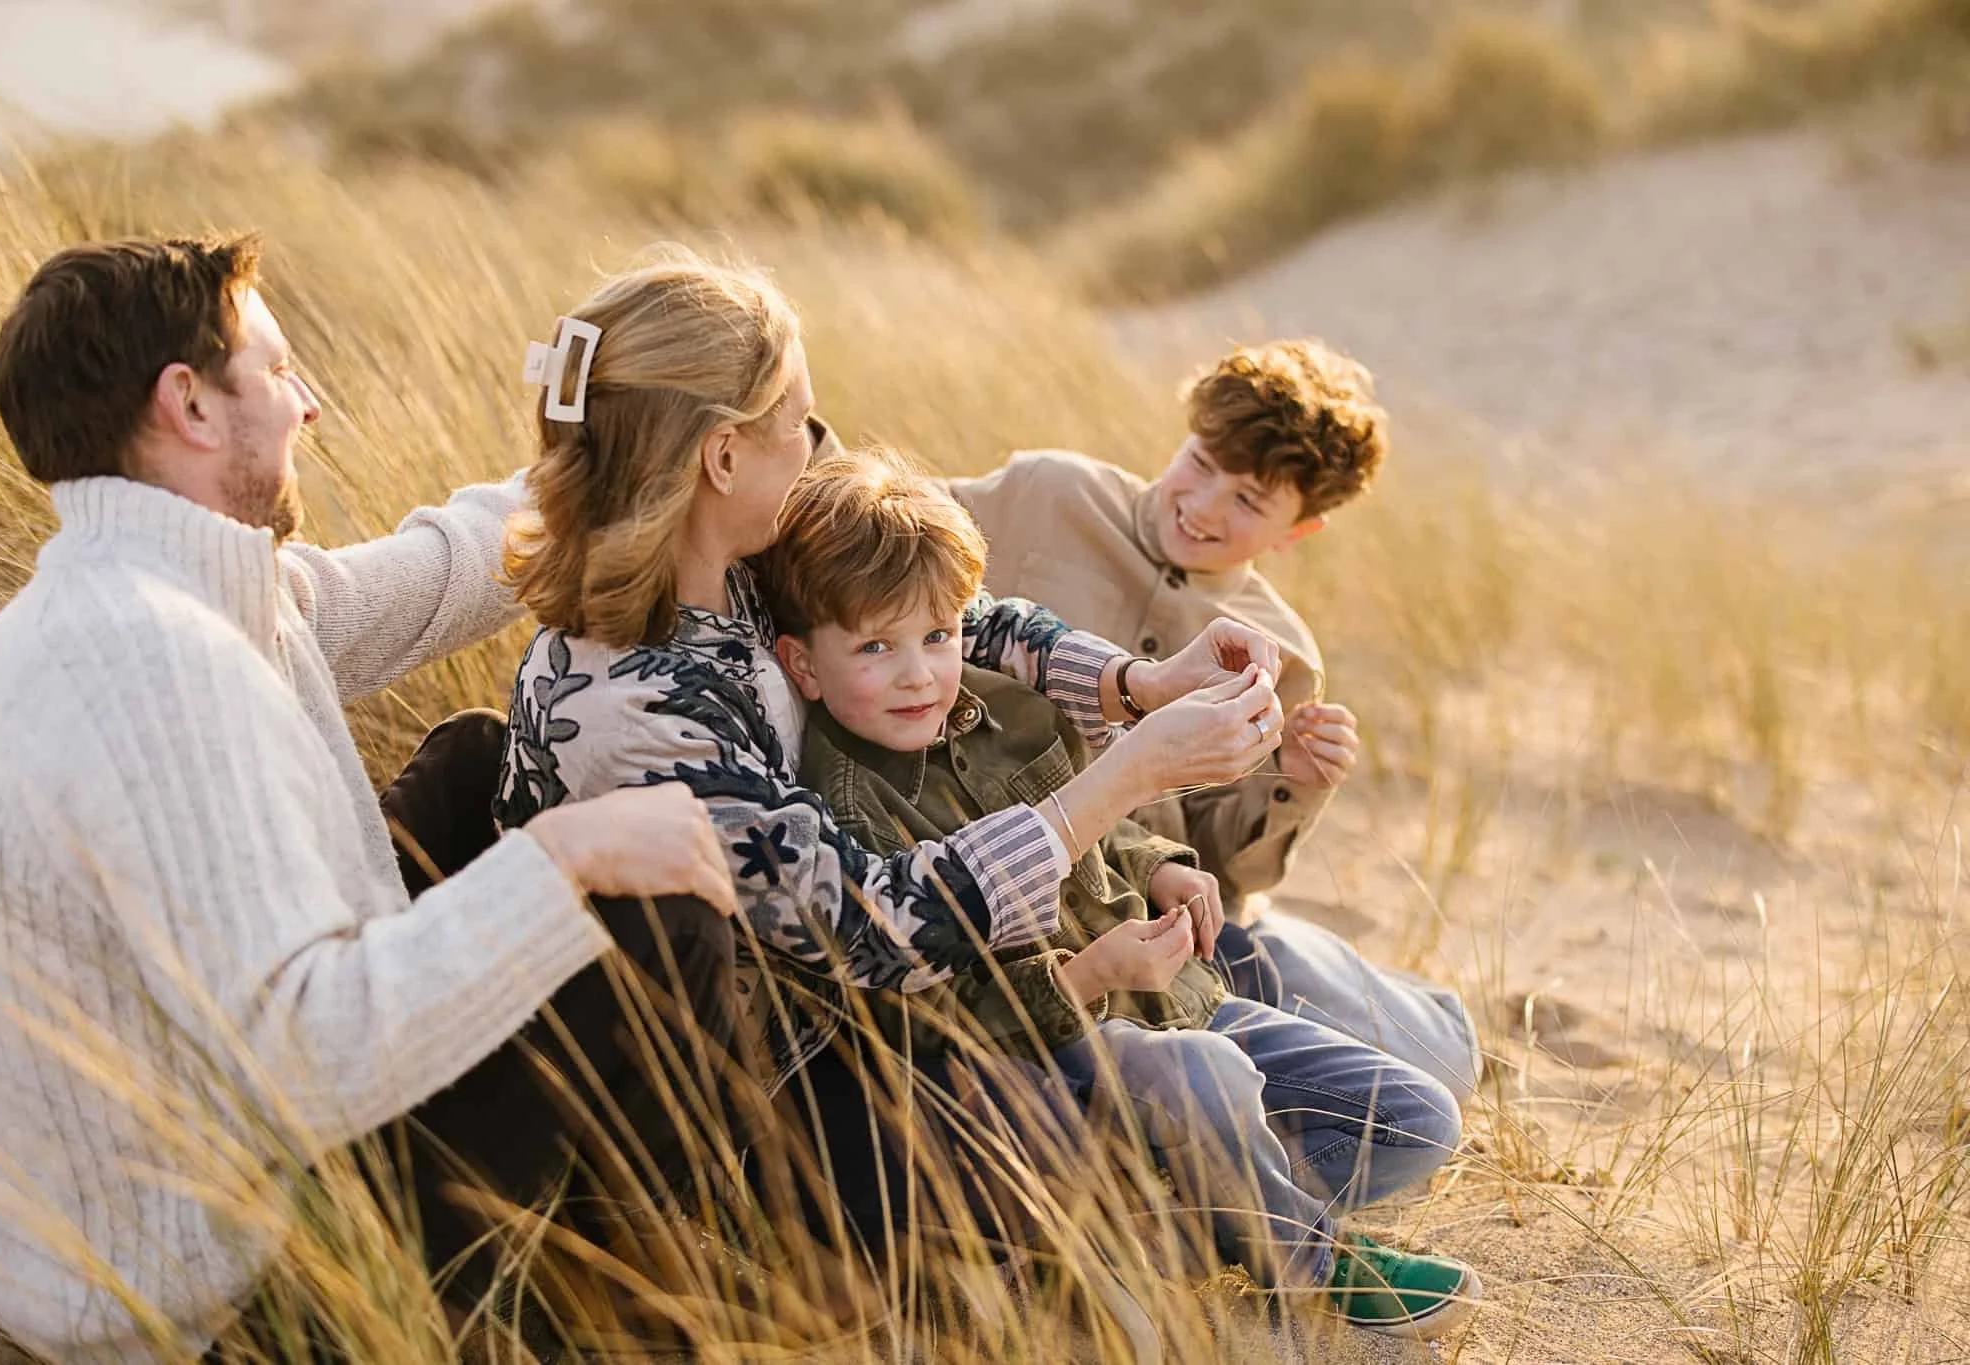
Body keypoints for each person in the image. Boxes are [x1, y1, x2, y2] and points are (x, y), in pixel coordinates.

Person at [0, 235, 753, 1363]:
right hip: (218, 1293)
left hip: (242, 1147)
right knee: (659, 923)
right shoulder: (147, 665)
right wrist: (561, 859)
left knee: (472, 764)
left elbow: (434, 574)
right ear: (190, 408)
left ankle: (578, 1262)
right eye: (275, 374)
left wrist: (595, 456)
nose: (307, 405)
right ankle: (622, 1316)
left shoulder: (179, 587)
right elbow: (308, 1062)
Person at [489, 247, 1291, 1259]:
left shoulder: (730, 562)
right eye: (802, 425)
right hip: (769, 1107)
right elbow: (874, 923)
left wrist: (1136, 686)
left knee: (1219, 1062)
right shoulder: (636, 703)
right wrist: (1127, 775)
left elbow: (945, 615)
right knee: (1104, 1163)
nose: (821, 447)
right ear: (721, 459)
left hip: (871, 1030)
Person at [762, 447, 1480, 1340]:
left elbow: (1097, 814)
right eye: (876, 647)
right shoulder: (844, 802)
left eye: (938, 636)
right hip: (1064, 1040)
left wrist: (1158, 868)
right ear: (800, 663)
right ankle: (1314, 1264)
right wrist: (1094, 974)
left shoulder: (996, 706)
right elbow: (931, 1014)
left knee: (1416, 1115)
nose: (918, 675)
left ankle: (1182, 1216)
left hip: (1169, 991)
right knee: (1200, 1071)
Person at [948, 341, 1481, 1102]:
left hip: (1164, 909)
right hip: (1004, 854)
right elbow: (881, 525)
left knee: (1442, 1072)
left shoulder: (1283, 652)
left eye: (1248, 501)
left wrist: (1294, 786)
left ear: (1297, 531)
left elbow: (1228, 865)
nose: (1201, 506)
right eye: (1200, 463)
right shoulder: (1046, 489)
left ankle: (1429, 1014)